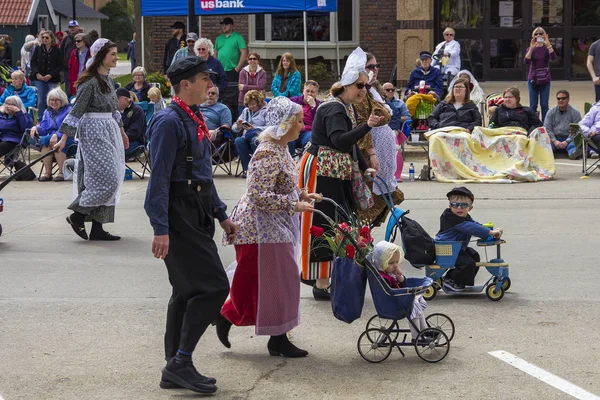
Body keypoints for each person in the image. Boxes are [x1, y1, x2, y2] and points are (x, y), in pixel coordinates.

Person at [144, 56, 238, 395]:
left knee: (186, 290)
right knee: (213, 286)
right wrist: (160, 227)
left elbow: (203, 174)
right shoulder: (169, 121)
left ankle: (175, 365)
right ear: (185, 84)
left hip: (195, 208)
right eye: (203, 78)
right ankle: (180, 362)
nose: (209, 84)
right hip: (177, 211)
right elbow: (159, 179)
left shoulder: (192, 115)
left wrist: (221, 214)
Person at [217, 96, 321, 357]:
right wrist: (293, 204)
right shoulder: (267, 152)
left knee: (281, 281)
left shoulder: (282, 149)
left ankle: (277, 336)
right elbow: (257, 194)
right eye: (298, 120)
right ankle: (228, 317)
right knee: (257, 280)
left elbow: (282, 185)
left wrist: (302, 195)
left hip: (275, 225)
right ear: (285, 124)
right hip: (259, 228)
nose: (302, 124)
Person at [298, 47, 381, 300]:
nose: (363, 90)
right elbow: (340, 140)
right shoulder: (334, 109)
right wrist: (367, 126)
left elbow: (349, 144)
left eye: (366, 86)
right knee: (324, 223)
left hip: (332, 170)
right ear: (346, 85)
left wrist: (365, 162)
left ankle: (327, 279)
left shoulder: (344, 107)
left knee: (337, 222)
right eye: (359, 85)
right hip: (322, 171)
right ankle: (322, 283)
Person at [55, 38, 129, 242]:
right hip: (93, 131)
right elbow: (76, 111)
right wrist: (63, 139)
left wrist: (122, 132)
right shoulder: (90, 82)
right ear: (100, 57)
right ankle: (77, 215)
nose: (116, 57)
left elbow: (114, 109)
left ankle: (98, 227)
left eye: (116, 53)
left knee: (112, 177)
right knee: (108, 178)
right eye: (112, 54)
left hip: (109, 130)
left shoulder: (109, 80)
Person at [354, 53, 404, 227]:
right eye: (370, 66)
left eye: (376, 66)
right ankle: (363, 237)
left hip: (384, 151)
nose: (375, 70)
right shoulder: (359, 94)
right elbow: (363, 126)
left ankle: (367, 235)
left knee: (384, 194)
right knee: (370, 198)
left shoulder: (373, 89)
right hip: (371, 151)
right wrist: (372, 154)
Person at [435, 187, 503, 291]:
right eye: (455, 205)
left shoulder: (464, 217)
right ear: (449, 206)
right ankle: (451, 280)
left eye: (464, 205)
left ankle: (459, 280)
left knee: (474, 256)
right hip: (447, 249)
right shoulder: (451, 217)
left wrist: (490, 230)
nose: (459, 208)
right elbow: (470, 227)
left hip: (456, 248)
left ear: (470, 208)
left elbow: (474, 224)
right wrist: (489, 232)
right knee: (467, 262)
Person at [367, 241, 429, 341]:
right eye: (391, 263)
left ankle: (425, 330)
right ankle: (416, 336)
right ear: (381, 263)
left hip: (397, 300)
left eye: (396, 262)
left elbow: (402, 284)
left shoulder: (390, 274)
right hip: (394, 303)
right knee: (414, 305)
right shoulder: (383, 277)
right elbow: (393, 290)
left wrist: (399, 276)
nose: (395, 265)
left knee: (417, 302)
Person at [31, 88, 74, 181]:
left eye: (56, 100)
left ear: (62, 100)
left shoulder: (69, 110)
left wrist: (57, 134)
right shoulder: (47, 112)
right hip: (51, 138)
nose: (53, 102)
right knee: (44, 140)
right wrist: (36, 128)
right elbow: (44, 128)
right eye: (51, 100)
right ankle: (48, 173)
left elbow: (70, 127)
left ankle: (61, 173)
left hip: (67, 138)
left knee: (56, 141)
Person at [233, 90, 268, 176]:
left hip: (260, 136)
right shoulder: (246, 111)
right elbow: (234, 128)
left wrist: (254, 128)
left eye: (253, 104)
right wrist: (238, 126)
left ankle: (258, 168)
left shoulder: (266, 111)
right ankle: (247, 169)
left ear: (259, 102)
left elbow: (270, 127)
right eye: (249, 104)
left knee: (254, 140)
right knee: (238, 140)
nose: (251, 106)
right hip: (246, 136)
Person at [525, 27, 556, 122]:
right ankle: (534, 124)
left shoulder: (547, 48)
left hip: (545, 78)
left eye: (541, 33)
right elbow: (526, 61)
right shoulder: (530, 48)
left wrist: (548, 44)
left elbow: (554, 58)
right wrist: (532, 48)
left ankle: (545, 125)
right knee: (533, 105)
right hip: (533, 78)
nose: (538, 35)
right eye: (536, 34)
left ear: (545, 36)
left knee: (544, 105)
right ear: (533, 37)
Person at [382, 82, 410, 181]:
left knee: (393, 136)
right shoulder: (379, 102)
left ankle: (396, 174)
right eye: (387, 90)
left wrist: (395, 119)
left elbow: (407, 117)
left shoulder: (399, 103)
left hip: (394, 128)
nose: (390, 92)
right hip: (382, 127)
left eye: (392, 90)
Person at [30, 31, 62, 116]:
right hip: (39, 78)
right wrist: (37, 73)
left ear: (52, 39)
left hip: (52, 79)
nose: (45, 39)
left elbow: (60, 65)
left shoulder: (57, 50)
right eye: (43, 37)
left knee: (53, 99)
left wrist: (51, 75)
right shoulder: (38, 49)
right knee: (41, 100)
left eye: (47, 37)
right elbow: (33, 62)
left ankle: (53, 117)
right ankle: (41, 119)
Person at [544, 89, 582, 159]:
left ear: (568, 99)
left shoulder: (575, 113)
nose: (560, 100)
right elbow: (547, 128)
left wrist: (567, 141)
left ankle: (573, 153)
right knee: (546, 142)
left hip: (569, 137)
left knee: (574, 143)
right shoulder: (551, 112)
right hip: (554, 137)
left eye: (563, 98)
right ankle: (549, 152)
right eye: (558, 98)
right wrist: (554, 140)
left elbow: (577, 130)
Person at [0, 96, 34, 172]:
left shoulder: (23, 115)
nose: (8, 106)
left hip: (14, 140)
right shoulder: (2, 115)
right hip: (2, 137)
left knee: (3, 145)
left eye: (11, 104)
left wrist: (18, 112)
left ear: (17, 106)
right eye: (6, 104)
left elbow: (26, 128)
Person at [288, 80, 320, 155]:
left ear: (316, 94)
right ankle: (290, 160)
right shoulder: (293, 100)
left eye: (312, 92)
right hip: (293, 128)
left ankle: (302, 162)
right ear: (303, 91)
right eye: (307, 91)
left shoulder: (319, 105)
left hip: (307, 131)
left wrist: (313, 106)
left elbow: (319, 122)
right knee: (288, 138)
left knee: (310, 139)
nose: (309, 94)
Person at [215, 17, 247, 85]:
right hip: (221, 70)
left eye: (226, 24)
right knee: (220, 90)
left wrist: (237, 68)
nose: (224, 26)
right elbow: (215, 53)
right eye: (223, 25)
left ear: (232, 26)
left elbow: (244, 54)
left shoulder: (238, 37)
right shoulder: (219, 38)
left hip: (233, 70)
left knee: (232, 91)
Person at [116, 88, 147, 157]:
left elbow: (134, 133)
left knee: (113, 152)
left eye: (116, 100)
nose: (114, 102)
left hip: (135, 142)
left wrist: (118, 138)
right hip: (120, 140)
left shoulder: (137, 111)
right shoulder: (117, 111)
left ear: (124, 99)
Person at [60, 20, 80, 98]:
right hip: (67, 69)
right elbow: (61, 52)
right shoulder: (66, 39)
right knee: (68, 90)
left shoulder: (83, 38)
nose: (72, 29)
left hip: (79, 68)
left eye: (74, 27)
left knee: (78, 88)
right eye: (70, 27)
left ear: (78, 27)